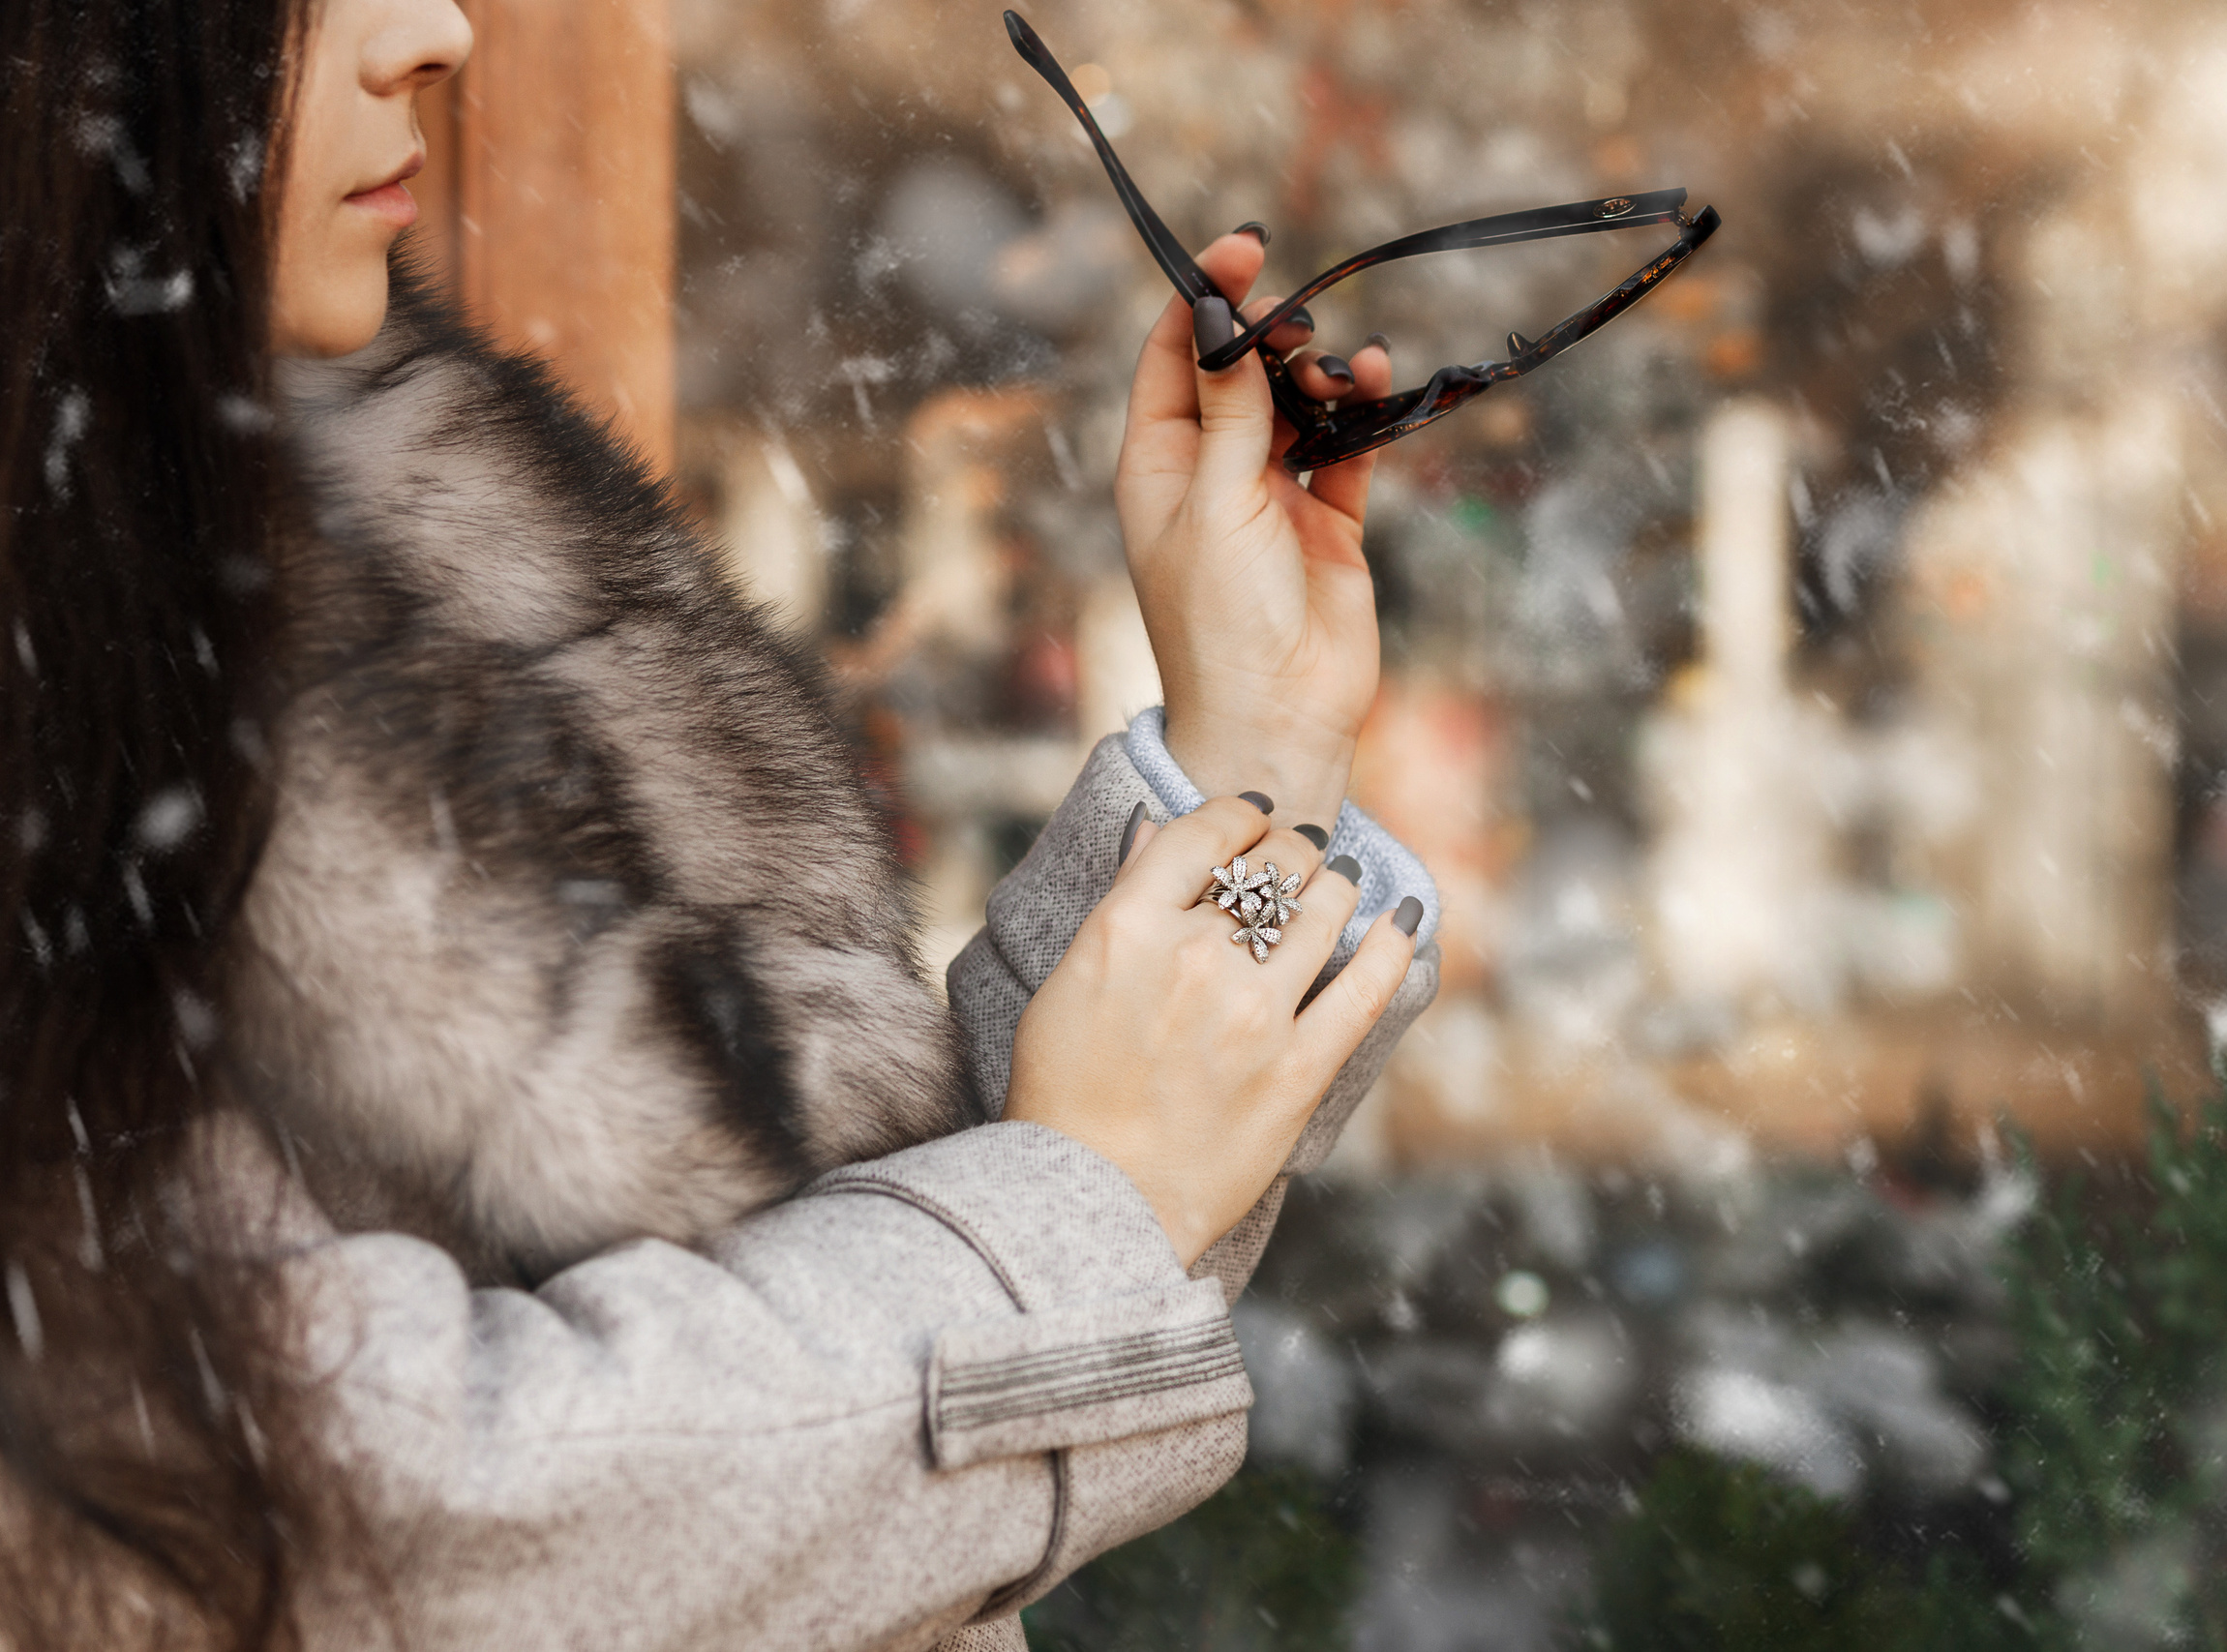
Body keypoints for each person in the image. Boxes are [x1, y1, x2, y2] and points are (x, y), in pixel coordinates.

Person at [0, 0, 1438, 1646]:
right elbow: (331, 1526)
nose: (437, 30)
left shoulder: (307, 514)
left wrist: (1254, 740)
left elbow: (824, 1255)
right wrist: (1079, 1208)